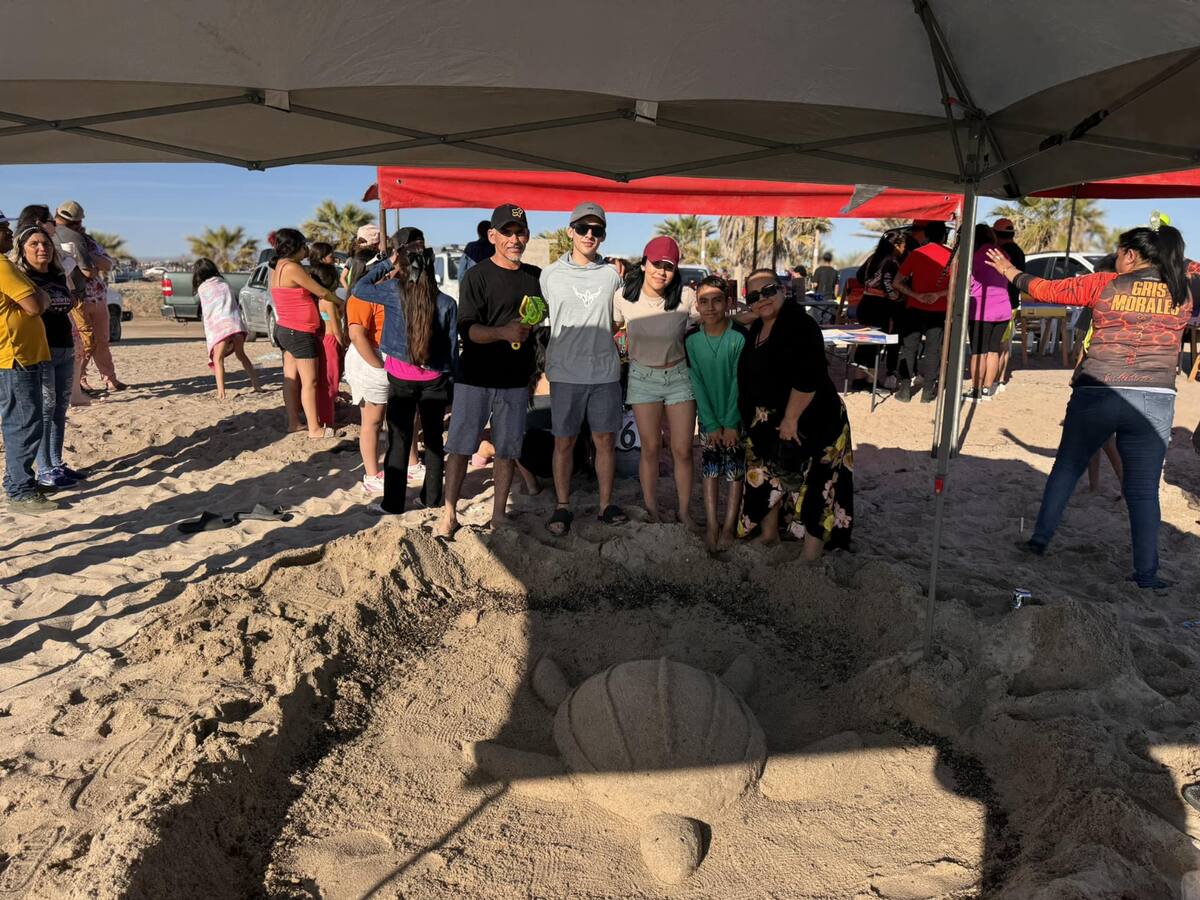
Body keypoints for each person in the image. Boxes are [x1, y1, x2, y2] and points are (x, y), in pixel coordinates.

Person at [986, 224, 1192, 589]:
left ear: (1130, 254)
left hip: (1098, 390)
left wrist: (1008, 271)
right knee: (1143, 491)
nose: (1114, 256)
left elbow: (1047, 290)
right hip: (1156, 399)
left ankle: (1039, 541)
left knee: (1067, 468)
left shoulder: (1103, 283)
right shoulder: (1182, 292)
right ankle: (1147, 574)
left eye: (1118, 251)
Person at [440, 204, 542, 537]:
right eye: (508, 232)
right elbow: (466, 330)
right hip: (475, 377)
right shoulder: (477, 275)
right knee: (459, 447)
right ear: (493, 236)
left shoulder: (535, 277)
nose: (515, 239)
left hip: (515, 381)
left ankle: (499, 515)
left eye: (520, 232)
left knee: (507, 450)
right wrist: (503, 332)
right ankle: (449, 513)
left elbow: (540, 323)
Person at [737, 269, 853, 560]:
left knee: (819, 484)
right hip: (768, 422)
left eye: (768, 291)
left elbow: (809, 377)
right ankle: (769, 535)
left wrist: (790, 418)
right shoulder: (757, 326)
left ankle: (810, 555)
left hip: (813, 420)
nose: (762, 299)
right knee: (764, 477)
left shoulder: (801, 324)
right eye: (754, 296)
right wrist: (750, 314)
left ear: (783, 290)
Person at [539, 201, 626, 535]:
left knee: (605, 441)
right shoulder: (550, 275)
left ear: (603, 236)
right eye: (584, 228)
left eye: (597, 230)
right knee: (564, 442)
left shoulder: (612, 275)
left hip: (604, 372)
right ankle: (562, 507)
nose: (590, 235)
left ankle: (606, 504)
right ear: (570, 231)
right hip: (564, 373)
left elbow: (619, 319)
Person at [353, 240, 457, 514]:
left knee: (399, 440)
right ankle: (432, 499)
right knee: (434, 440)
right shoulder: (447, 303)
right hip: (435, 379)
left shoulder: (392, 291)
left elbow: (358, 288)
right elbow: (450, 350)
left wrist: (388, 262)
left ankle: (393, 504)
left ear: (403, 267)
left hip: (400, 377)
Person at [614, 235, 697, 525]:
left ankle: (685, 511)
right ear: (644, 263)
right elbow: (611, 326)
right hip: (642, 377)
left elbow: (713, 319)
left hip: (678, 376)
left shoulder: (686, 297)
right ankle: (651, 509)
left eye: (669, 266)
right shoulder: (623, 296)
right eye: (656, 264)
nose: (661, 271)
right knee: (650, 448)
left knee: (682, 449)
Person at [16, 225, 82, 489]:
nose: (42, 248)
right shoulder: (23, 278)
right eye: (34, 244)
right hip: (42, 351)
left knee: (59, 410)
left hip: (65, 347)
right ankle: (44, 469)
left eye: (45, 244)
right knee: (45, 409)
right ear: (22, 249)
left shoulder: (56, 275)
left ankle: (56, 463)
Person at [0, 213, 56, 515]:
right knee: (24, 423)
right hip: (15, 357)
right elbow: (35, 305)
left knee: (22, 421)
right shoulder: (3, 267)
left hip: (18, 356)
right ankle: (20, 489)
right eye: (2, 229)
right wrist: (42, 296)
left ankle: (20, 481)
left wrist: (39, 295)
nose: (9, 234)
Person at [686, 275, 746, 553]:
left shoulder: (739, 337)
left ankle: (729, 525)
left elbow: (739, 381)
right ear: (697, 305)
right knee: (710, 470)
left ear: (728, 303)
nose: (710, 308)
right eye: (704, 302)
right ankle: (712, 524)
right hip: (708, 417)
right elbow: (696, 380)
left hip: (735, 416)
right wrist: (710, 423)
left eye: (716, 301)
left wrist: (731, 423)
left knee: (734, 472)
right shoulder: (692, 340)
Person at [269, 228, 340, 438]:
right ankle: (314, 429)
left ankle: (294, 422)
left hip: (284, 329)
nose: (306, 250)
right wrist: (341, 302)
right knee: (310, 382)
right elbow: (321, 291)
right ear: (295, 247)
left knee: (290, 378)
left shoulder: (277, 267)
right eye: (303, 246)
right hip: (299, 332)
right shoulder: (291, 267)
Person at [52, 201, 124, 394]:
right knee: (83, 342)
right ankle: (79, 381)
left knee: (101, 339)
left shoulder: (86, 241)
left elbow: (107, 264)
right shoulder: (50, 239)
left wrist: (86, 255)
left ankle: (109, 378)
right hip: (75, 299)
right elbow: (87, 272)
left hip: (97, 297)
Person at [894, 219, 951, 403]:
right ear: (944, 235)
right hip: (939, 309)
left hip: (914, 307)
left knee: (909, 348)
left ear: (926, 235)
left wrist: (916, 295)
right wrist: (938, 294)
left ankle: (904, 390)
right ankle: (927, 392)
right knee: (934, 350)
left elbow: (897, 282)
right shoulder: (951, 256)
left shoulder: (917, 254)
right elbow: (961, 286)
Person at [192, 258, 260, 399]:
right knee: (241, 355)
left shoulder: (203, 288)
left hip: (221, 329)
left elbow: (208, 311)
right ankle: (256, 385)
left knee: (218, 359)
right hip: (235, 326)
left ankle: (221, 392)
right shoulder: (224, 283)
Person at [854, 232, 907, 386]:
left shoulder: (872, 258)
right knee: (875, 342)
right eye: (903, 245)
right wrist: (897, 297)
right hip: (879, 306)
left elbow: (859, 276)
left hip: (865, 303)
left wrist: (869, 285)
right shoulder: (891, 262)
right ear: (896, 245)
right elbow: (888, 284)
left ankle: (858, 379)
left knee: (864, 341)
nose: (904, 249)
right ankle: (871, 380)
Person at [967, 223, 1011, 400]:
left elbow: (968, 282)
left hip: (981, 309)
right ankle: (987, 389)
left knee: (978, 352)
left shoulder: (976, 256)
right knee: (993, 350)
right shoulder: (1003, 254)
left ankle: (976, 390)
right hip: (1003, 308)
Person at [308, 257, 346, 428]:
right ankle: (327, 420)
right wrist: (343, 344)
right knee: (330, 382)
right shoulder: (329, 302)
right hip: (331, 341)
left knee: (324, 380)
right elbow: (336, 328)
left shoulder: (315, 300)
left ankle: (324, 416)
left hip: (322, 339)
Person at [992, 218, 1025, 390]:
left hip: (1000, 303)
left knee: (997, 345)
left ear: (996, 234)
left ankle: (995, 380)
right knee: (1005, 345)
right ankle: (1001, 378)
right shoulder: (1019, 252)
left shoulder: (1001, 253)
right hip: (1012, 303)